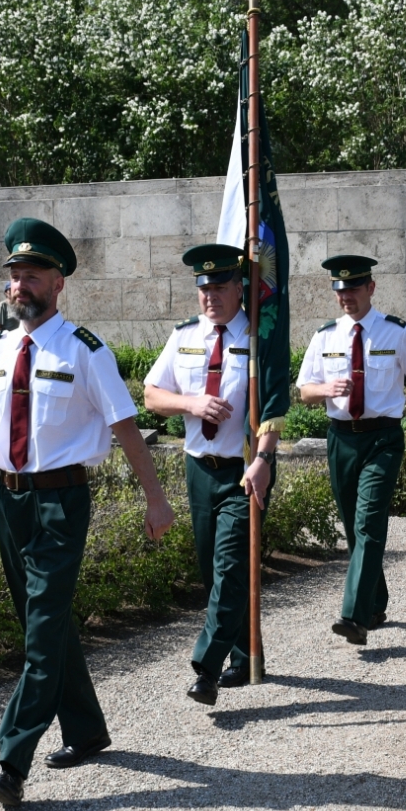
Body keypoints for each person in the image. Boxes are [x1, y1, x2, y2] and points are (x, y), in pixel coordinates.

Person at [0, 217, 175, 808]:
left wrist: (156, 498)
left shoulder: (85, 350)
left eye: (31, 275)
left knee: (42, 627)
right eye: (13, 276)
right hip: (10, 497)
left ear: (58, 284)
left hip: (60, 499)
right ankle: (86, 730)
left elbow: (126, 428)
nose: (18, 286)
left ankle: (11, 763)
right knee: (41, 622)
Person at [296, 255, 406, 646]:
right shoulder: (325, 337)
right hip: (341, 439)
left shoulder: (395, 333)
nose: (347, 297)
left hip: (382, 439)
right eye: (340, 291)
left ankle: (354, 617)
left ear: (371, 288)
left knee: (369, 521)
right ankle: (375, 601)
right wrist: (326, 390)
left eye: (354, 289)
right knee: (355, 529)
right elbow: (305, 390)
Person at [143, 244, 279, 706]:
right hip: (198, 468)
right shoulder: (183, 336)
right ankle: (243, 655)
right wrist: (191, 403)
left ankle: (206, 670)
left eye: (219, 286)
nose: (210, 296)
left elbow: (275, 404)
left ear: (239, 287)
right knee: (214, 571)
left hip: (245, 470)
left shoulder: (260, 336)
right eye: (203, 288)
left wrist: (264, 459)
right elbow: (151, 395)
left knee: (230, 566)